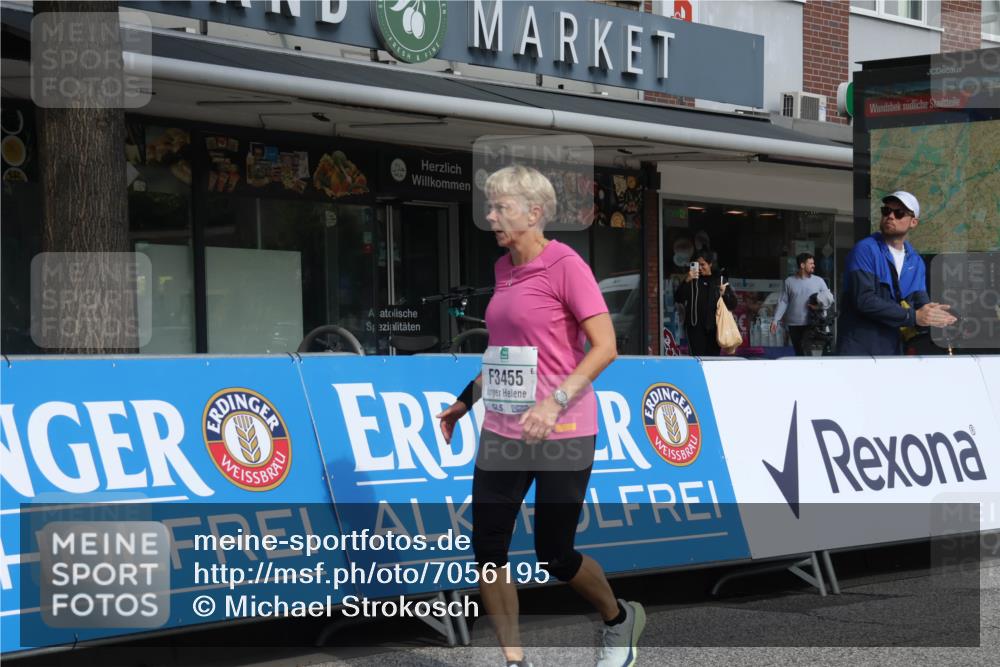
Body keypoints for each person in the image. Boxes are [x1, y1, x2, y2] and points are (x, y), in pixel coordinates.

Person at [436, 165, 645, 667]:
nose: (489, 217)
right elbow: (507, 354)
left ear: (534, 213)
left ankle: (619, 620)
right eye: (489, 207)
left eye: (500, 207)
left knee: (555, 553)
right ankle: (514, 662)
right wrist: (467, 401)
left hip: (565, 428)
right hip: (504, 429)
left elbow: (606, 347)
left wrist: (555, 402)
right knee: (488, 550)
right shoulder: (502, 269)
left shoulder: (566, 265)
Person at [837, 191, 956, 355]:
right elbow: (864, 300)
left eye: (899, 213)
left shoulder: (915, 260)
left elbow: (919, 301)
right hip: (858, 348)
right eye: (886, 211)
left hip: (892, 348)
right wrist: (914, 317)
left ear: (913, 222)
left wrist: (935, 314)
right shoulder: (865, 249)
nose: (890, 216)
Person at [673, 250, 737, 356]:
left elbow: (733, 304)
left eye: (703, 264)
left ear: (710, 264)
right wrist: (686, 280)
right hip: (695, 329)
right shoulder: (692, 281)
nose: (700, 268)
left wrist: (724, 294)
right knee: (697, 359)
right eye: (697, 265)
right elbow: (678, 298)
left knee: (712, 360)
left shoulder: (719, 280)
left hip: (714, 329)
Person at [770, 253, 833, 355]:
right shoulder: (789, 282)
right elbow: (783, 301)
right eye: (811, 263)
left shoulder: (819, 281)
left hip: (811, 323)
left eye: (813, 263)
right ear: (802, 265)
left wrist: (818, 306)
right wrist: (775, 320)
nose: (814, 265)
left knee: (806, 351)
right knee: (799, 352)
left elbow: (829, 299)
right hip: (793, 324)